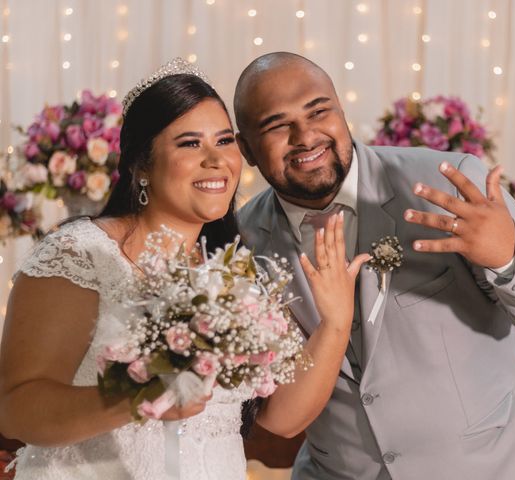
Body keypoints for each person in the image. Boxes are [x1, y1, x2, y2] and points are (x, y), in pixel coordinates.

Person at [0, 58, 369, 479]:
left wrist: (335, 324)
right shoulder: (82, 253)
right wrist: (140, 399)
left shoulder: (236, 269)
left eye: (225, 140)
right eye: (190, 143)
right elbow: (16, 408)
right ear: (142, 164)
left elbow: (282, 418)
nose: (215, 160)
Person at [234, 52, 515, 480]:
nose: (305, 136)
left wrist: (507, 256)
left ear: (341, 111)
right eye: (276, 125)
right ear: (246, 150)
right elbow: (275, 405)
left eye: (319, 111)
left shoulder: (446, 181)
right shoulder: (241, 242)